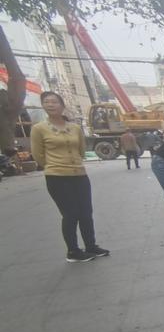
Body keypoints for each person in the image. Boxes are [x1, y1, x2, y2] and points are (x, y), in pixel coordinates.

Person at [31, 91, 109, 262]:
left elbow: (81, 150)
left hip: (79, 174)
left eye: (54, 101)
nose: (50, 104)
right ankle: (73, 251)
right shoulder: (39, 129)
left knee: (86, 212)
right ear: (43, 106)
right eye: (46, 102)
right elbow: (38, 155)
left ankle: (91, 246)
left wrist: (74, 164)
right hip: (57, 177)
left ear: (62, 105)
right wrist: (54, 166)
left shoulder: (74, 128)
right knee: (70, 213)